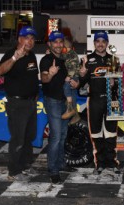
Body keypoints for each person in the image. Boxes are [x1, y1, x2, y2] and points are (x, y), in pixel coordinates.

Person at [0, 26, 39, 181]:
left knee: (29, 137)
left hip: (30, 103)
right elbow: (0, 71)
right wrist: (15, 58)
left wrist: (33, 97)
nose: (30, 41)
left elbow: (32, 78)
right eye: (27, 37)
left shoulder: (32, 55)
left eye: (32, 38)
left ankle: (26, 165)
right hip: (17, 104)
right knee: (18, 138)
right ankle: (13, 171)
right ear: (19, 39)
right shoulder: (11, 54)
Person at [40, 31, 78, 184]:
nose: (58, 44)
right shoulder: (46, 59)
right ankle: (53, 170)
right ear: (49, 44)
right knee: (55, 138)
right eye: (54, 42)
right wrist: (50, 74)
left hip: (65, 103)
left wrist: (77, 82)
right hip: (53, 102)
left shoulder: (64, 59)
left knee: (62, 136)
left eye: (60, 41)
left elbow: (71, 79)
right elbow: (44, 78)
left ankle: (61, 164)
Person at [79, 31, 119, 175]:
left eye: (103, 41)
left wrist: (115, 83)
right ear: (94, 43)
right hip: (95, 99)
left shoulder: (114, 59)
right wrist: (82, 75)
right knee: (96, 132)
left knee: (111, 132)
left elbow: (118, 84)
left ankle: (112, 162)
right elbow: (80, 84)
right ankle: (99, 163)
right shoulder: (86, 60)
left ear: (107, 43)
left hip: (111, 100)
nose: (101, 44)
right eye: (98, 41)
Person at [60, 36, 80, 124]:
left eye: (62, 46)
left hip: (73, 76)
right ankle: (75, 115)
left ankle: (69, 107)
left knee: (66, 87)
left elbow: (73, 67)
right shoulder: (66, 54)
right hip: (72, 76)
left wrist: (69, 76)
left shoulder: (72, 54)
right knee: (73, 93)